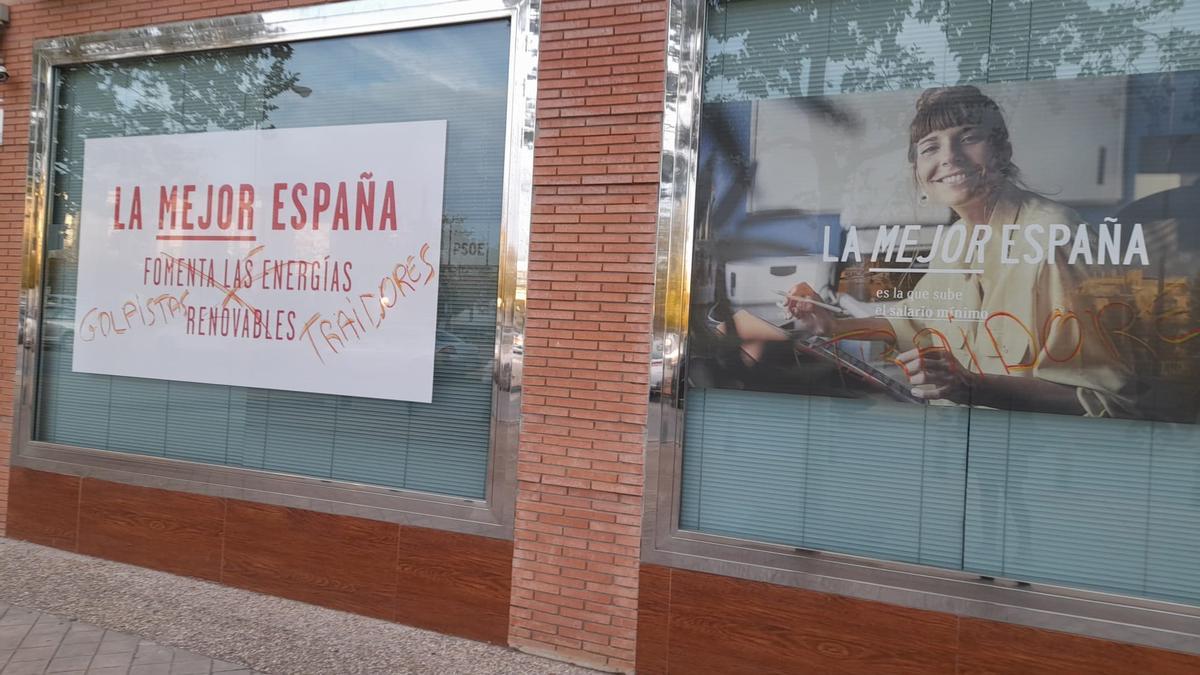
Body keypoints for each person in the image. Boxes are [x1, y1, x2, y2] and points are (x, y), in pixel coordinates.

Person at [786, 85, 1136, 417]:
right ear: (918, 173)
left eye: (968, 138)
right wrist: (833, 325)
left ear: (1003, 150)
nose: (949, 157)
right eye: (930, 148)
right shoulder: (956, 238)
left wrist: (972, 387)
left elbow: (1111, 402)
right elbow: (910, 323)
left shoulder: (1056, 240)